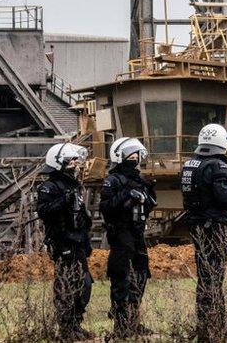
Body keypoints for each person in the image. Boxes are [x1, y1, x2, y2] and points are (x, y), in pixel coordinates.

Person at [181, 123, 227, 342]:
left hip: (197, 226)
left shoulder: (190, 164)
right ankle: (214, 326)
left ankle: (205, 325)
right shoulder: (217, 166)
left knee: (205, 276)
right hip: (214, 227)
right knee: (214, 278)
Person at [100, 137, 157, 338]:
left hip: (137, 233)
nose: (134, 159)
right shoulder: (112, 181)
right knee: (121, 279)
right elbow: (106, 209)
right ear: (120, 157)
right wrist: (127, 196)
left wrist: (145, 199)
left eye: (136, 156)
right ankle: (121, 325)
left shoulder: (140, 180)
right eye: (130, 156)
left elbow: (150, 204)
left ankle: (133, 321)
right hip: (121, 234)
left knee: (141, 275)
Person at [36, 143, 93, 341]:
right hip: (62, 243)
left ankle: (76, 323)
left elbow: (79, 216)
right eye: (71, 161)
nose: (75, 164)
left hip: (78, 242)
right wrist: (63, 201)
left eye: (76, 161)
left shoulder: (74, 186)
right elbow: (43, 212)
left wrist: (86, 239)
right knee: (65, 285)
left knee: (84, 284)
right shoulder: (48, 187)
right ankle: (66, 327)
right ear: (59, 163)